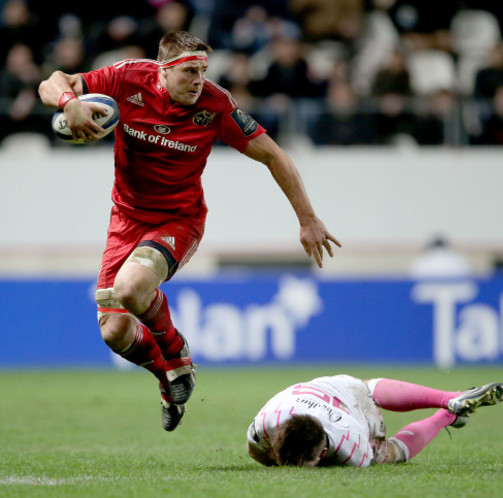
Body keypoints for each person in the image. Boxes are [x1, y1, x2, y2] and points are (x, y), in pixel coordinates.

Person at [38, 30, 341, 432]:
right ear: (163, 71)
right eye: (189, 71)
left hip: (179, 220)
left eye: (203, 70)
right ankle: (168, 377)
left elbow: (274, 156)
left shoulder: (215, 106)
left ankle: (178, 355)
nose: (199, 80)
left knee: (132, 287)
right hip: (126, 219)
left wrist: (307, 219)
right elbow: (51, 82)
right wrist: (69, 102)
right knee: (114, 331)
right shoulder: (128, 78)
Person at [246, 374, 503, 466]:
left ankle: (447, 415)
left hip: (355, 412)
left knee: (389, 453)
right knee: (367, 386)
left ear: (323, 451)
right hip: (328, 387)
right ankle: (451, 397)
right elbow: (254, 452)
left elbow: (260, 455)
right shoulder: (265, 424)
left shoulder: (353, 448)